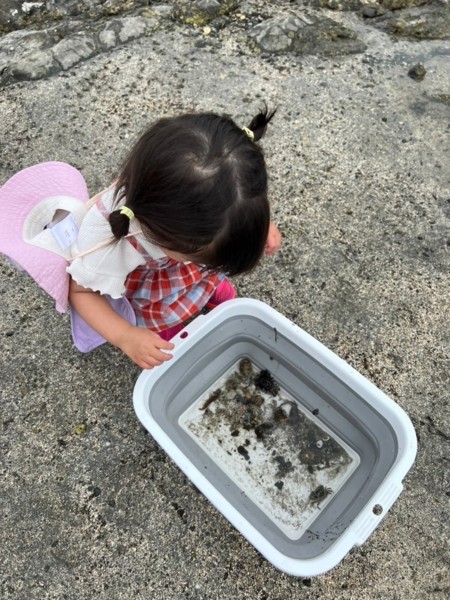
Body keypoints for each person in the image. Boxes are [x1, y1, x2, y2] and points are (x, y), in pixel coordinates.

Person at [67, 107, 282, 369]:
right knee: (164, 346)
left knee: (206, 266)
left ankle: (207, 289)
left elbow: (237, 201)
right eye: (201, 259)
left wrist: (254, 225)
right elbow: (79, 292)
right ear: (165, 237)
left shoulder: (222, 194)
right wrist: (126, 336)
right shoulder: (106, 239)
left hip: (184, 267)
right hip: (153, 289)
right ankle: (172, 321)